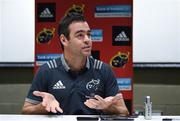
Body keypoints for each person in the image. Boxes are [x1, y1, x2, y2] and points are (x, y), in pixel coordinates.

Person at [22, 12, 129, 115]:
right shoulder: (46, 71)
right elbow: (26, 110)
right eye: (80, 35)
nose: (88, 40)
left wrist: (107, 107)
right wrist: (43, 107)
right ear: (64, 40)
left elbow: (124, 111)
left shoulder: (104, 70)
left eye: (89, 34)